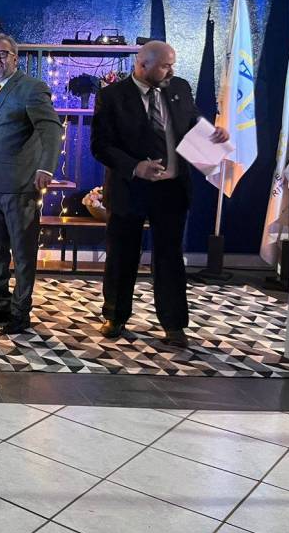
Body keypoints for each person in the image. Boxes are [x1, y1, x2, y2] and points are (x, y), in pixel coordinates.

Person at [91, 40, 229, 347]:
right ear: (143, 65)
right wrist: (135, 167)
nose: (171, 71)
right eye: (166, 66)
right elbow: (100, 146)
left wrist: (213, 132)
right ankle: (115, 316)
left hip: (172, 189)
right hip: (129, 189)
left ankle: (174, 324)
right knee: (122, 256)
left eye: (172, 65)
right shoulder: (111, 96)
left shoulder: (179, 87)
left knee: (170, 257)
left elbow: (192, 120)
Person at [0, 33, 62, 334]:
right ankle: (0, 304)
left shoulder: (31, 88)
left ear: (15, 57)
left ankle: (20, 311)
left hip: (19, 185)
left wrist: (46, 168)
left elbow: (51, 129)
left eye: (2, 54)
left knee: (22, 253)